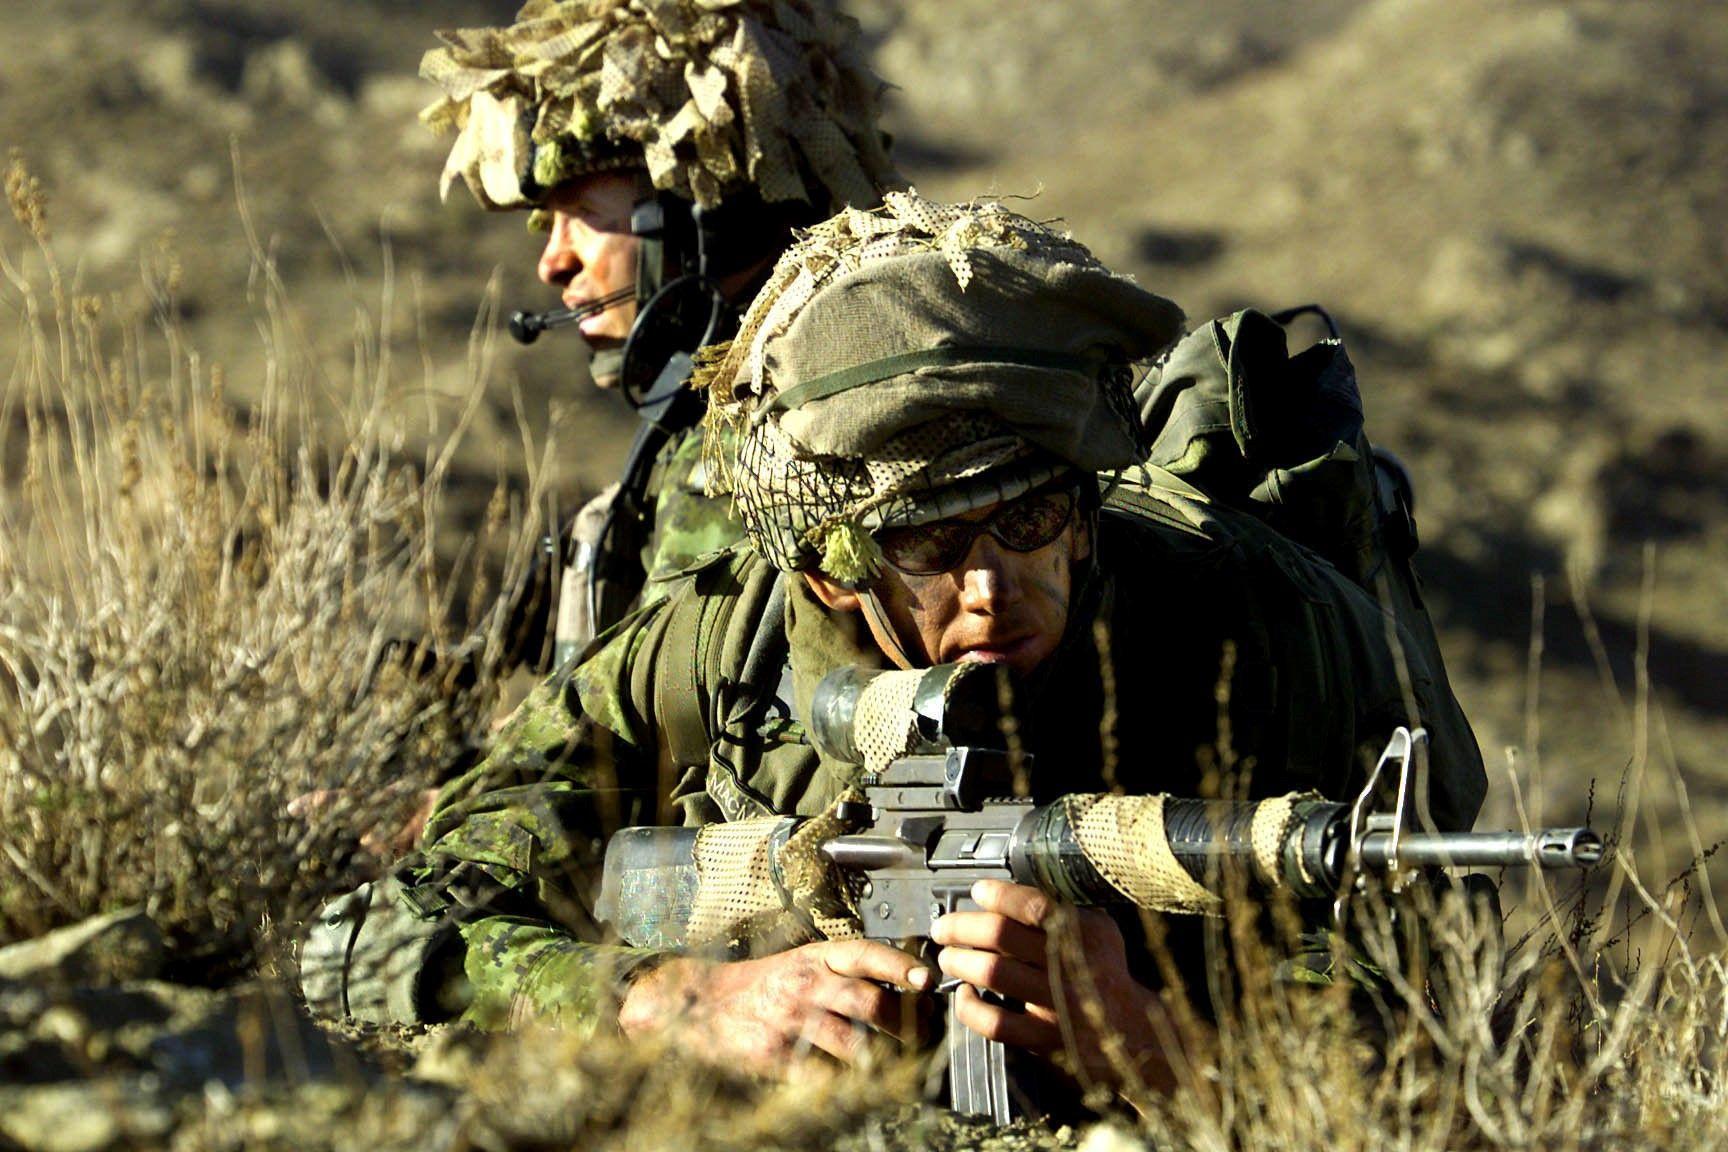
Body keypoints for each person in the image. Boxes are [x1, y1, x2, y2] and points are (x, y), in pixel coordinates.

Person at [303, 193, 1486, 1109]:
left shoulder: (1271, 633)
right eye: (928, 543)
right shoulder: (729, 640)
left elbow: (1448, 1018)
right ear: (833, 565)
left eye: (1030, 520)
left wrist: (1163, 1046)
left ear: (1080, 505)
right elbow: (369, 937)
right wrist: (672, 999)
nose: (991, 592)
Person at [420, 0, 902, 662]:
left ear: (702, 225)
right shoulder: (705, 426)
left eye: (583, 214)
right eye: (547, 224)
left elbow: (633, 728)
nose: (551, 261)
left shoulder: (766, 446)